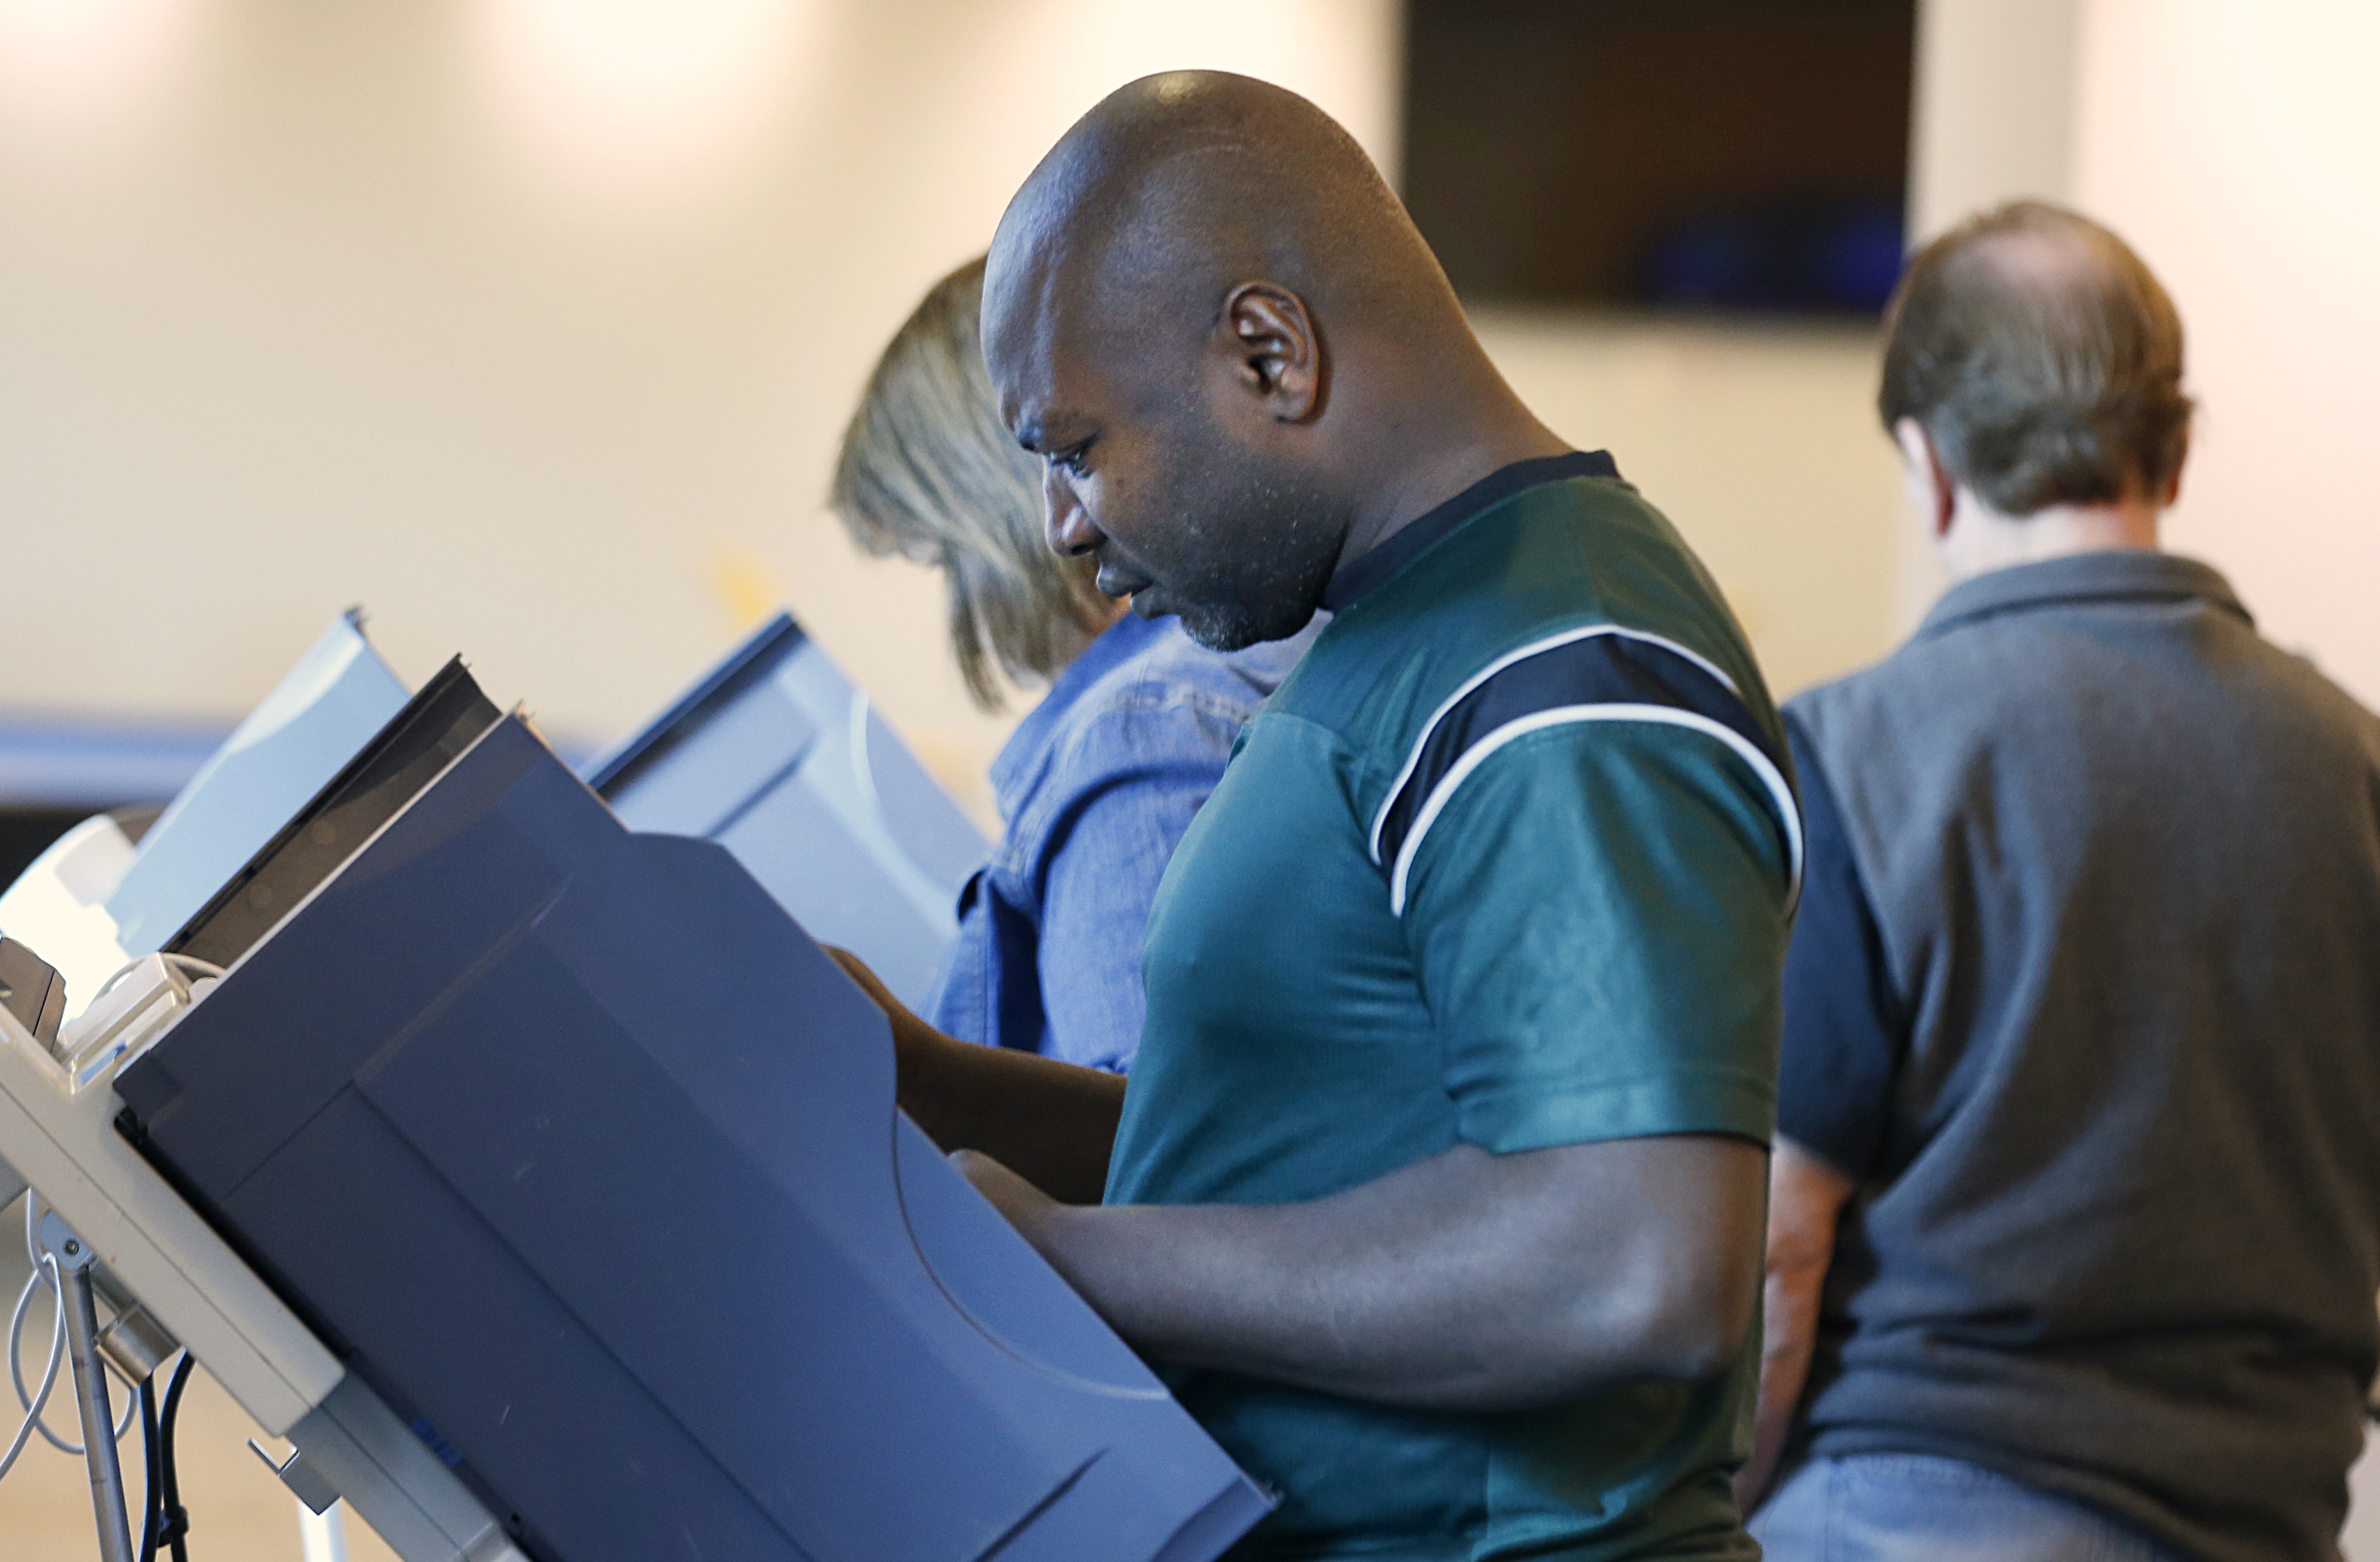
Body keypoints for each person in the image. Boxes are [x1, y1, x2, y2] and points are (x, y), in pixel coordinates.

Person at [828, 72, 1800, 1559]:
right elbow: (1295, 1172)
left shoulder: (1557, 663)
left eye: (1076, 449)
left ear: (1267, 352)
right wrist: (936, 1087)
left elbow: (1631, 1263)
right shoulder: (1406, 636)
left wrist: (1070, 1256)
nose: (1060, 529)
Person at [1740, 202, 2380, 1562]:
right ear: (2178, 446)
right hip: (2267, 1515)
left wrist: (1703, 1519)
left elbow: (1782, 1242)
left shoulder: (1856, 754)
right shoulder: (2354, 762)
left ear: (1928, 467)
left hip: (1912, 1510)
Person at [830, 257, 1315, 1074]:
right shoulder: (1275, 644)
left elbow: (1162, 1169)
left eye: (944, 562)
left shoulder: (1137, 739)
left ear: (988, 519)